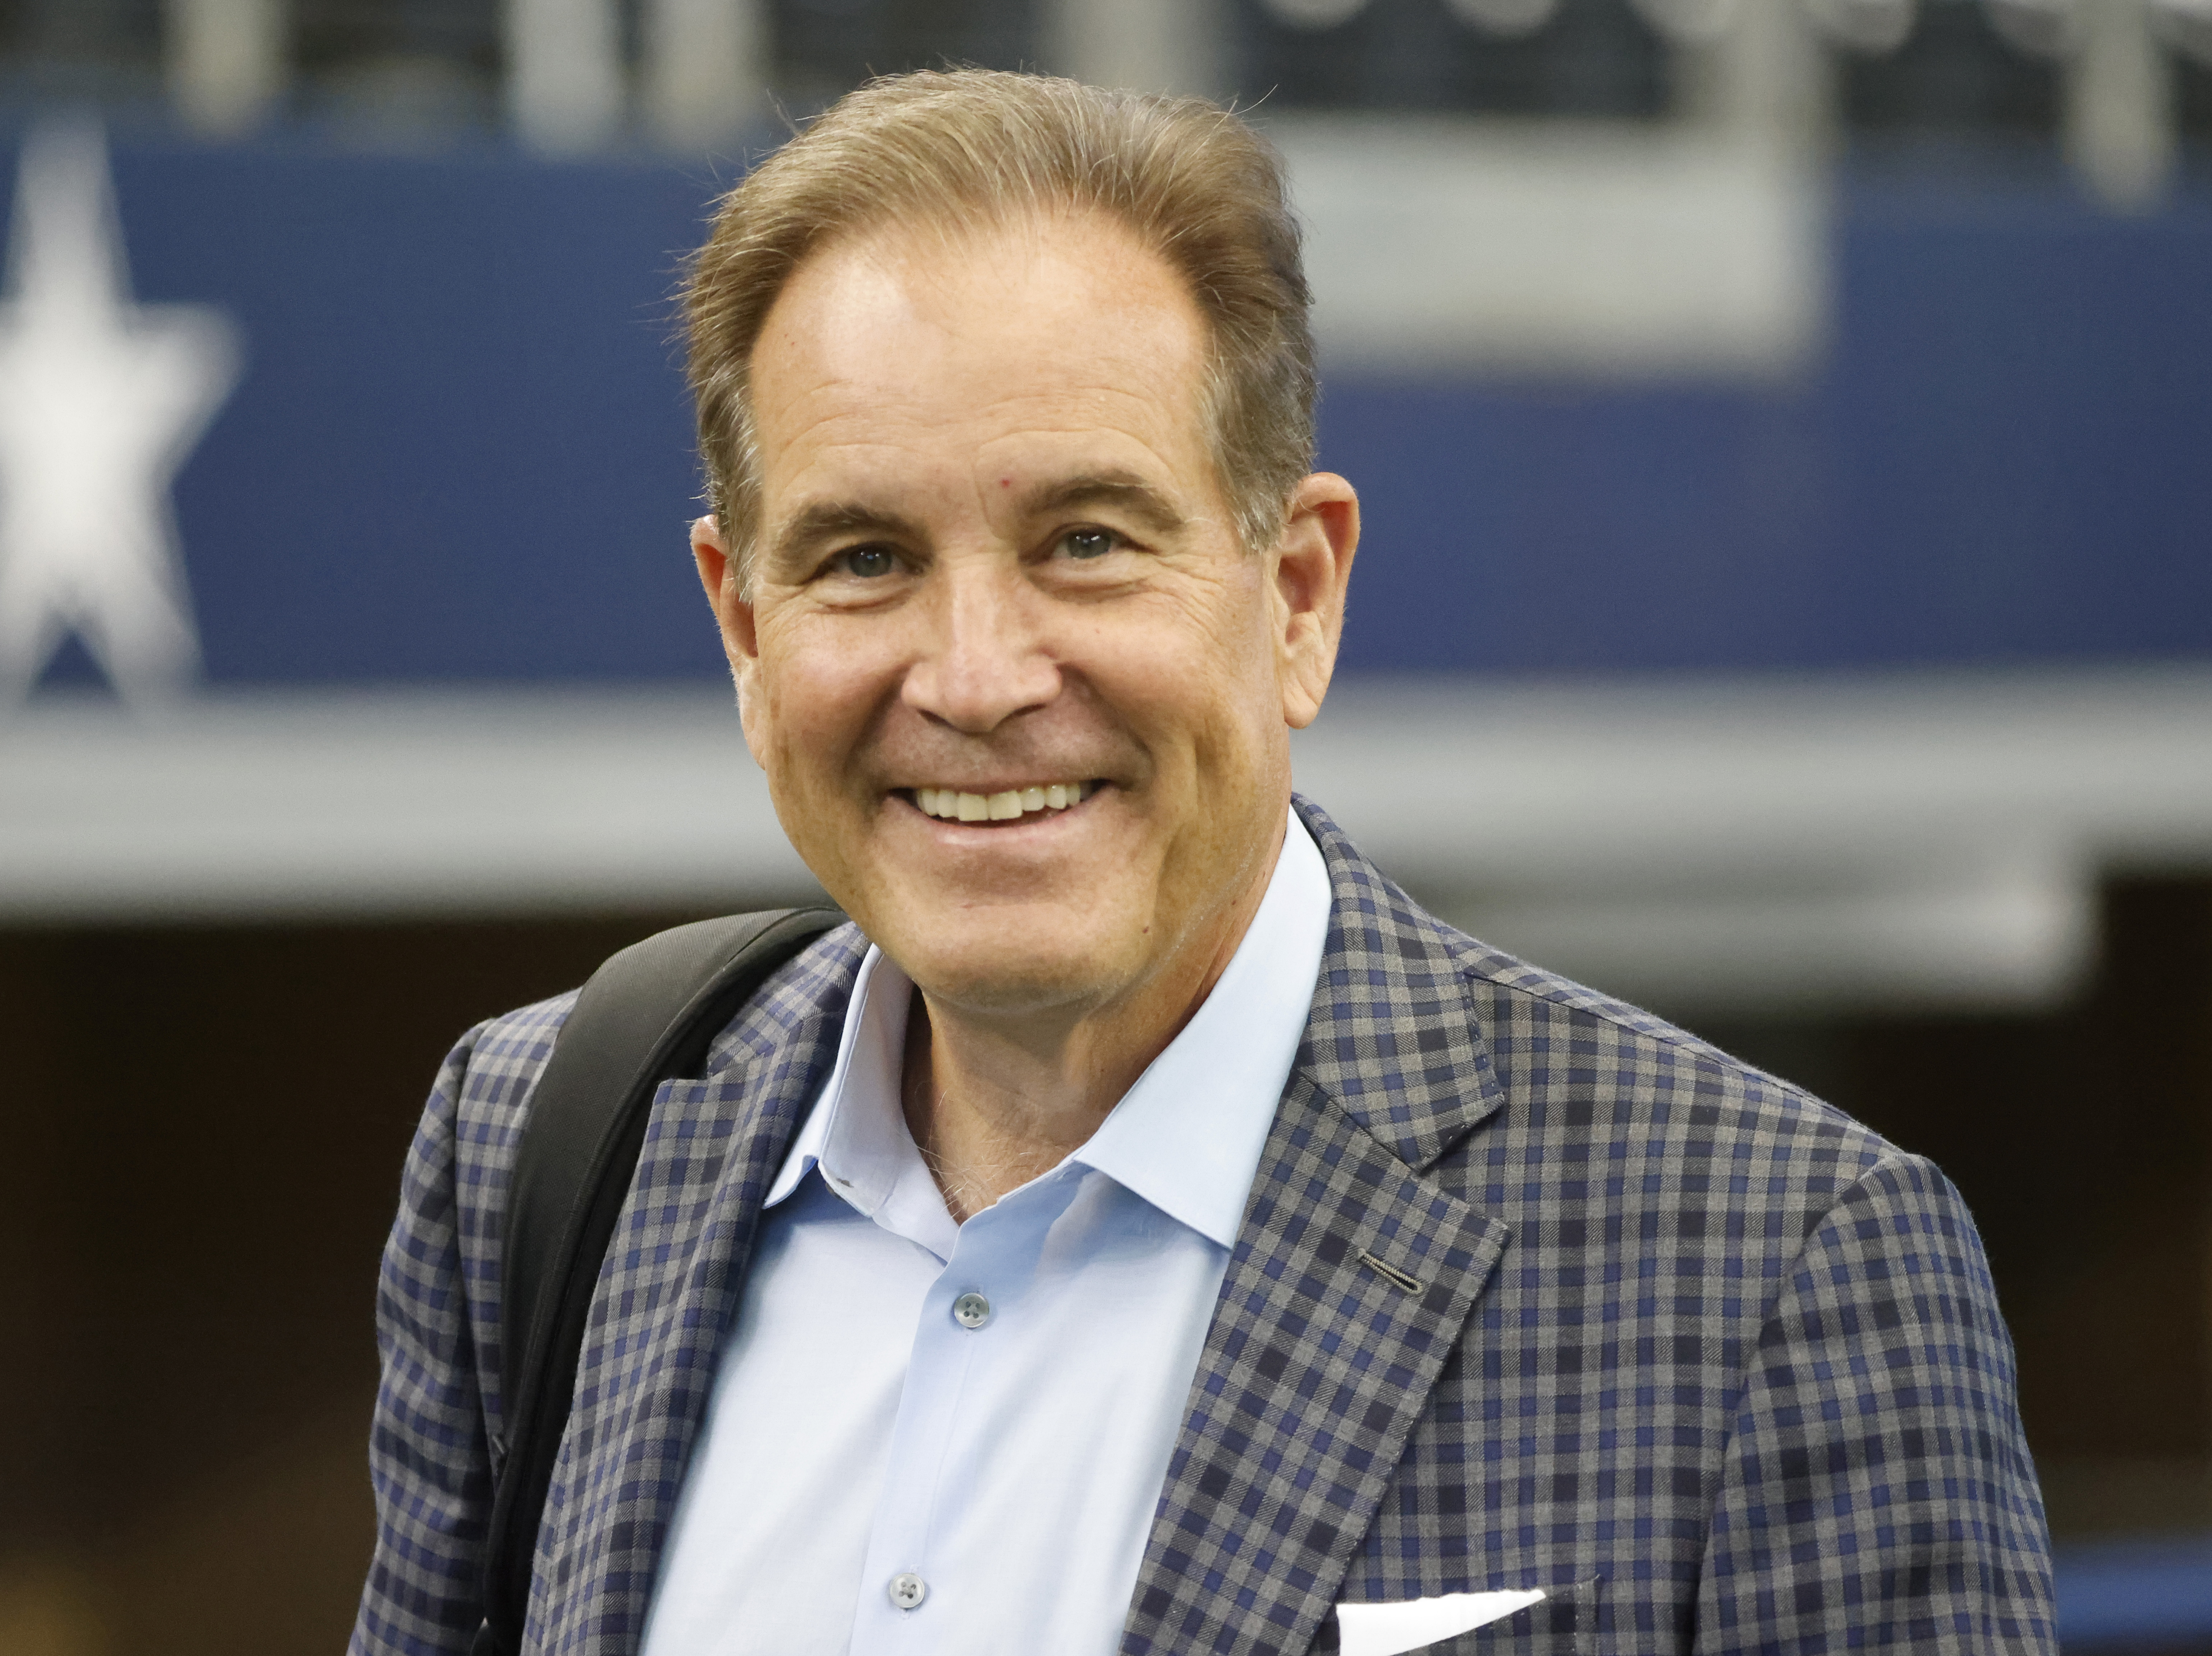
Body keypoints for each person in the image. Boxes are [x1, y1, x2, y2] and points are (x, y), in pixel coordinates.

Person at [353, 70, 2052, 1656]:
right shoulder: (542, 1151)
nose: (973, 676)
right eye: (863, 559)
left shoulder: (1772, 1268)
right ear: (741, 622)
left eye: (1087, 542)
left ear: (1297, 593)